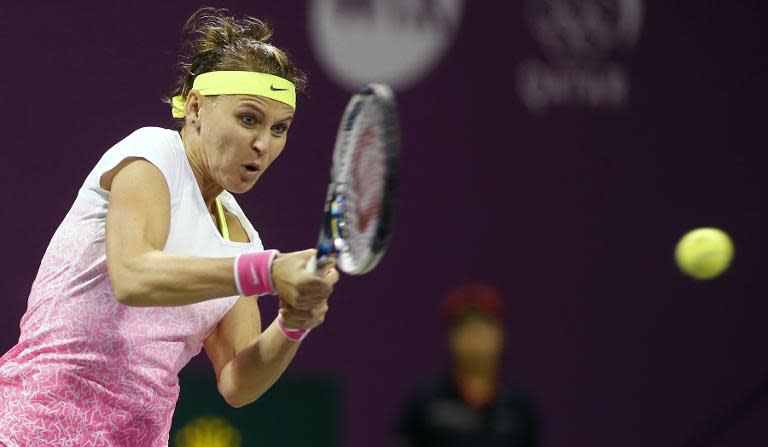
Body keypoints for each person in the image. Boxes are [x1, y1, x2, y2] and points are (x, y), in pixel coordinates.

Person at [0, 8, 338, 447]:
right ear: (196, 106)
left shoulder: (243, 239)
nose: (262, 144)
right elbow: (134, 276)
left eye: (280, 128)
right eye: (248, 119)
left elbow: (238, 381)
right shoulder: (151, 154)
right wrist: (269, 272)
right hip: (30, 428)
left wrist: (293, 322)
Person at [395, 284, 538, 447]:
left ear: (500, 334)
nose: (476, 337)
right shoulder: (425, 406)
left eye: (484, 326)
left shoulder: (519, 411)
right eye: (466, 327)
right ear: (451, 337)